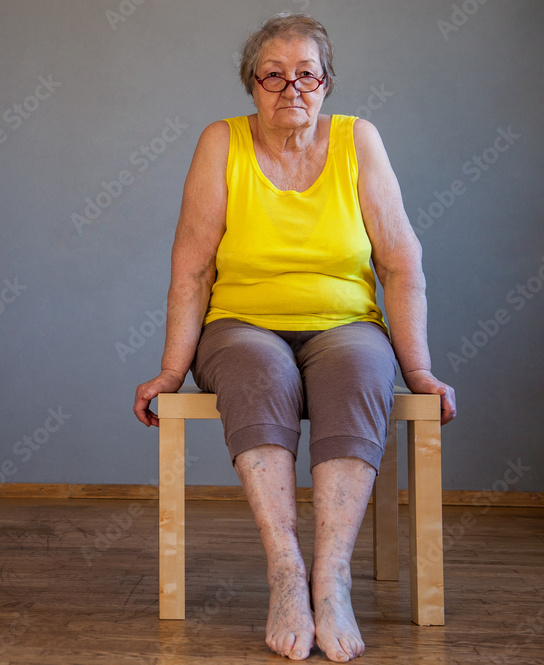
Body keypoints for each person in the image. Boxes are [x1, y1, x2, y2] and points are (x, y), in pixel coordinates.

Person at [133, 13, 457, 663]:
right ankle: (286, 574)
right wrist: (170, 371)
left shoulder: (359, 140)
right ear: (251, 85)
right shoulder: (221, 142)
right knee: (260, 374)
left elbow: (400, 264)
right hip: (241, 325)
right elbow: (192, 268)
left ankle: (331, 580)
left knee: (361, 372)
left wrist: (419, 371)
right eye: (273, 75)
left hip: (346, 324)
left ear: (327, 82)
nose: (291, 88)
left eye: (306, 74)